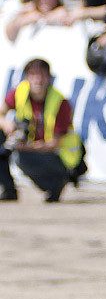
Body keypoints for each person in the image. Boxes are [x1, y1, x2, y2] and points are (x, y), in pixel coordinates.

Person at [0, 58, 83, 202]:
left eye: (42, 75)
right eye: (33, 75)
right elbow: (1, 112)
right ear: (27, 77)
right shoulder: (20, 92)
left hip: (61, 157)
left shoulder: (60, 102)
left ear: (49, 78)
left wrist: (24, 147)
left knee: (21, 158)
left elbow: (53, 144)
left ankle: (56, 183)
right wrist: (7, 124)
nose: (38, 80)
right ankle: (8, 189)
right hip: (34, 144)